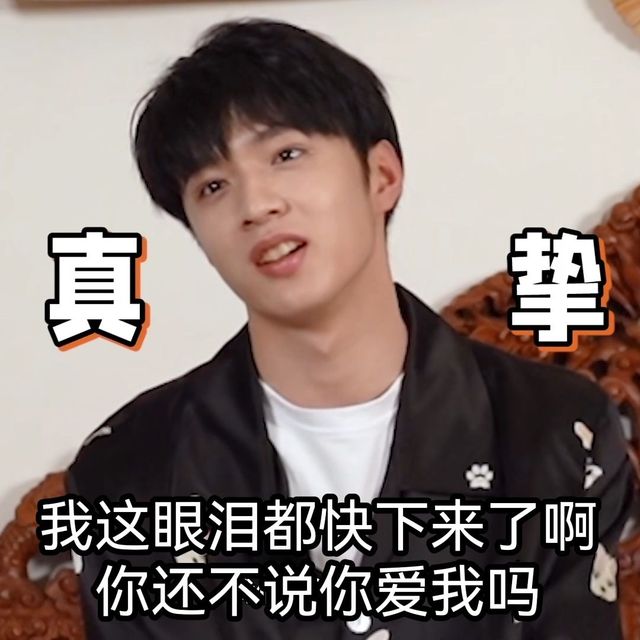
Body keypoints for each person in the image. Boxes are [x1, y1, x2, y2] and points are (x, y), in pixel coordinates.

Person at [67, 18, 634, 639]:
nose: (256, 205)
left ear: (382, 175)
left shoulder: (555, 433)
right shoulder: (130, 470)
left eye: (286, 155)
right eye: (213, 186)